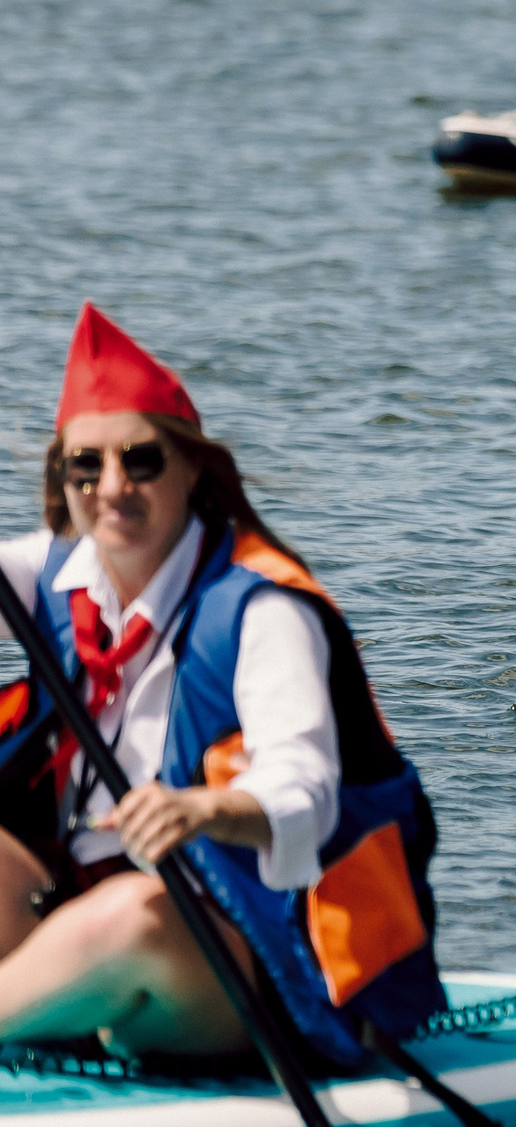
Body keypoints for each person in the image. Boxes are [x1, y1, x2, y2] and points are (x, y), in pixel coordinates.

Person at [0, 306, 443, 1062]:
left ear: (193, 466)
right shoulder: (48, 572)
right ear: (62, 477)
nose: (113, 487)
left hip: (268, 961)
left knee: (133, 914)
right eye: (87, 465)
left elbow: (305, 790)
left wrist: (206, 807)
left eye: (141, 459)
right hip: (77, 909)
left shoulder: (264, 608)